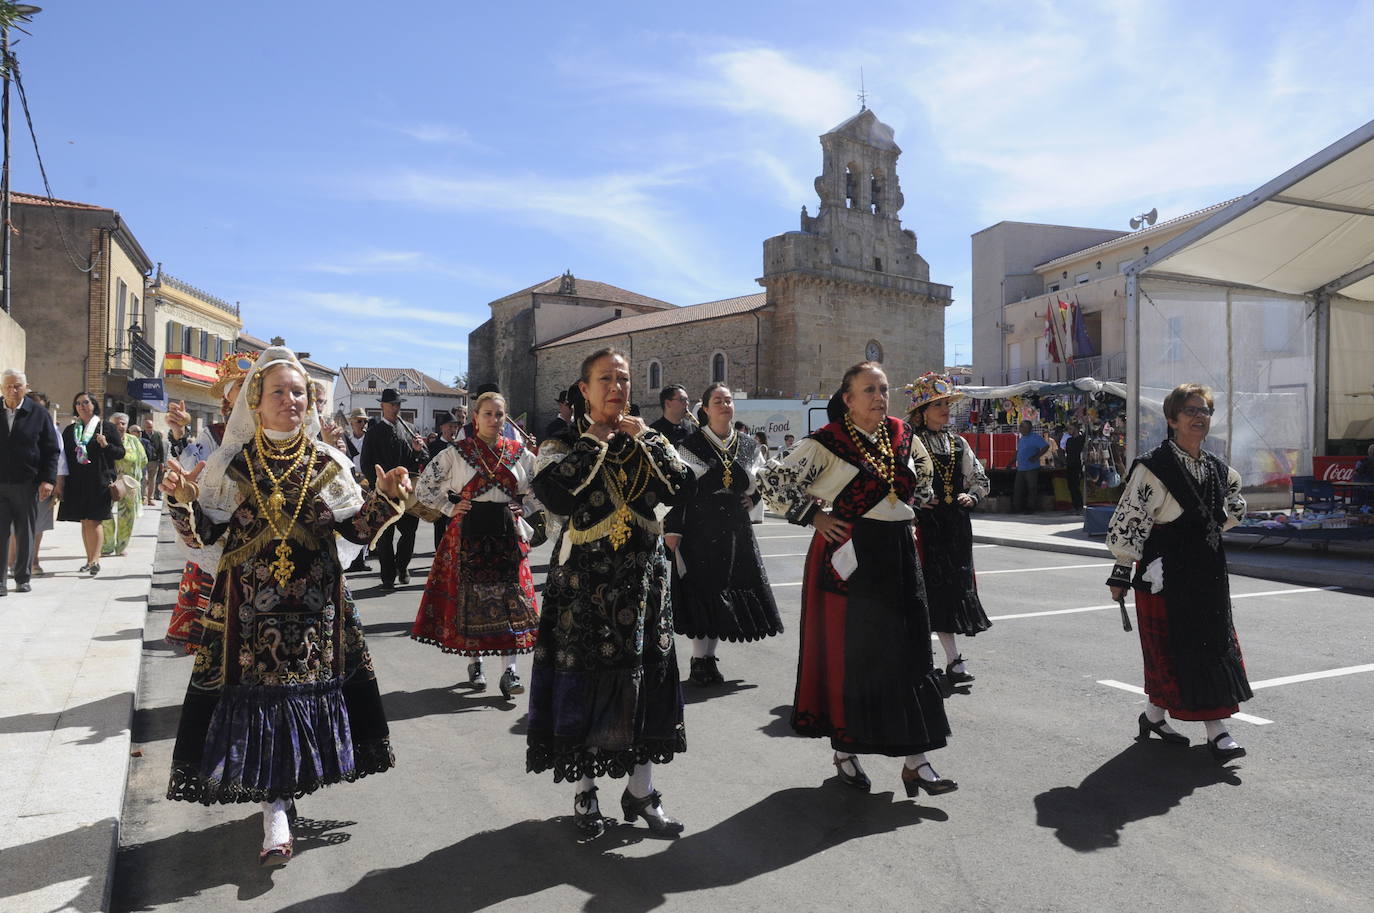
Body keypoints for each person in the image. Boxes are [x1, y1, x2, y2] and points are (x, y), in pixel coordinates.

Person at [161, 347, 408, 865]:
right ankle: (275, 810)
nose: (292, 399)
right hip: (248, 615)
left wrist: (386, 498)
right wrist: (184, 500)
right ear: (257, 399)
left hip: (316, 612)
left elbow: (358, 531)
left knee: (298, 703)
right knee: (260, 702)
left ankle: (282, 796)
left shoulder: (329, 463)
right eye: (279, 391)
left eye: (300, 392)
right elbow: (206, 535)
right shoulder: (232, 464)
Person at [761, 361, 956, 799]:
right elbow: (772, 483)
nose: (879, 396)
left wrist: (914, 505)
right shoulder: (828, 442)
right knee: (857, 655)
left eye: (883, 388)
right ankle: (846, 750)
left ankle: (916, 762)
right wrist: (814, 515)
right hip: (851, 553)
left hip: (898, 552)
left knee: (909, 654)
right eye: (868, 389)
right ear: (847, 399)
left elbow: (921, 484)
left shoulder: (903, 435)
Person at [527, 347, 691, 839]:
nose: (616, 387)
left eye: (623, 379)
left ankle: (641, 791)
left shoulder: (647, 439)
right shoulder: (561, 441)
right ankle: (585, 791)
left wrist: (649, 442)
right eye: (605, 379)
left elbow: (682, 489)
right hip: (584, 587)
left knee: (646, 682)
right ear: (584, 388)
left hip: (642, 583)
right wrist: (594, 443)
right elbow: (553, 495)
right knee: (586, 683)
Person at [1106, 382, 1252, 763]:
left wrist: (1224, 518)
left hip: (1208, 571)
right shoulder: (1154, 467)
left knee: (1209, 646)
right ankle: (1217, 730)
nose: (1199, 417)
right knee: (1176, 652)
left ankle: (1153, 717)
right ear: (1172, 420)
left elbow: (1235, 497)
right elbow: (1129, 519)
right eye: (1190, 411)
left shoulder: (1216, 467)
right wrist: (1121, 571)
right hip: (1166, 574)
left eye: (1204, 410)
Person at [411, 392, 540, 699]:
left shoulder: (518, 451)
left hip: (507, 533)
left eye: (500, 415)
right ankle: (476, 663)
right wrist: (448, 508)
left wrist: (528, 508)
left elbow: (543, 483)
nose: (495, 420)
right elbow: (424, 487)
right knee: (470, 600)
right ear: (475, 418)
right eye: (488, 414)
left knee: (513, 601)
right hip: (468, 532)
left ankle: (511, 671)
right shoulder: (457, 452)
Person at [664, 383, 782, 686]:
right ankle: (698, 658)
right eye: (718, 401)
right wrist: (673, 528)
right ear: (705, 409)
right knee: (702, 588)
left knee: (724, 589)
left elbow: (761, 480)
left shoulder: (747, 444)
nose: (724, 405)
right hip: (699, 525)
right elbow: (680, 490)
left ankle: (709, 658)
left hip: (734, 527)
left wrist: (753, 500)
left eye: (728, 400)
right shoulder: (692, 444)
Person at [163, 353, 259, 651]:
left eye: (252, 384)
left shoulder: (276, 429)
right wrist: (180, 437)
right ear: (228, 397)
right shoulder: (215, 434)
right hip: (222, 534)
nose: (246, 391)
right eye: (239, 386)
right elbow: (192, 468)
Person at [906, 373, 992, 685]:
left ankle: (953, 660)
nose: (945, 409)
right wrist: (914, 503)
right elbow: (896, 481)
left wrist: (973, 495)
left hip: (955, 526)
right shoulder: (908, 442)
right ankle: (935, 659)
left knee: (951, 591)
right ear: (922, 410)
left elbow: (981, 479)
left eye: (946, 404)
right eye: (938, 404)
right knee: (923, 590)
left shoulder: (958, 442)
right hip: (923, 527)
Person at [361, 388, 427, 590]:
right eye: (392, 404)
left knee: (409, 532)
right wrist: (379, 485)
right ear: (382, 406)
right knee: (385, 536)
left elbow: (421, 459)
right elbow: (366, 463)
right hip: (383, 493)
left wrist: (417, 451)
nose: (395, 408)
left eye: (398, 404)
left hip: (406, 491)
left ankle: (402, 566)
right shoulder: (373, 433)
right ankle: (388, 575)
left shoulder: (409, 428)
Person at [0, 370, 60, 595]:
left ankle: (22, 578)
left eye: (17, 386)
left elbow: (51, 450)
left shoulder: (38, 413)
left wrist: (48, 479)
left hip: (27, 483)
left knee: (25, 532)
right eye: (7, 386)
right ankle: (0, 583)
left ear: (26, 387)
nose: (12, 391)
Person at [56, 391, 125, 576]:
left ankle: (95, 560)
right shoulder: (70, 430)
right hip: (76, 482)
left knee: (95, 520)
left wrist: (106, 445)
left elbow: (120, 453)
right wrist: (60, 483)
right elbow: (63, 457)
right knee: (84, 521)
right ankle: (89, 560)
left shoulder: (106, 427)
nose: (82, 406)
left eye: (86, 402)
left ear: (94, 405)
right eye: (78, 403)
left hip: (99, 481)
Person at [100, 412, 148, 557]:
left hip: (129, 485)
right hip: (108, 483)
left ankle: (121, 546)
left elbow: (143, 460)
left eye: (123, 423)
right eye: (116, 423)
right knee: (105, 515)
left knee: (127, 517)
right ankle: (107, 546)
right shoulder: (104, 440)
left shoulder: (133, 440)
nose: (120, 426)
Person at [426, 410, 464, 550]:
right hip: (440, 492)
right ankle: (439, 554)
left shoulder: (460, 447)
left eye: (455, 427)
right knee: (440, 525)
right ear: (442, 427)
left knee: (457, 525)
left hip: (457, 492)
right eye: (450, 426)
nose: (453, 430)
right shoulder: (432, 447)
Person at [1007, 420, 1049, 513]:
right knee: (1018, 488)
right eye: (1020, 426)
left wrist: (1036, 456)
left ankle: (1031, 507)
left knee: (1031, 488)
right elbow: (1018, 452)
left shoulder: (1035, 437)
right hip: (1021, 467)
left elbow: (1046, 446)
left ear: (1028, 428)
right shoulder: (1022, 438)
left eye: (1022, 427)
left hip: (1031, 467)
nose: (1020, 428)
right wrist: (1011, 462)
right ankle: (1017, 507)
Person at [142, 418, 166, 506]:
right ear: (144, 427)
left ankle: (150, 499)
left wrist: (162, 461)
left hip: (154, 461)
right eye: (147, 427)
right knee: (144, 479)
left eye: (151, 427)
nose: (149, 429)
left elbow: (161, 448)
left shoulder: (156, 435)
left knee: (152, 480)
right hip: (144, 461)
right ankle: (143, 498)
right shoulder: (141, 434)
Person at [1064, 420, 1085, 512]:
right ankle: (1075, 505)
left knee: (1076, 486)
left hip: (1078, 464)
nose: (1069, 431)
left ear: (1076, 429)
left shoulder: (1081, 439)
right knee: (1071, 486)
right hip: (1070, 464)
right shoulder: (1069, 440)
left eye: (1070, 429)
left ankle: (1079, 505)